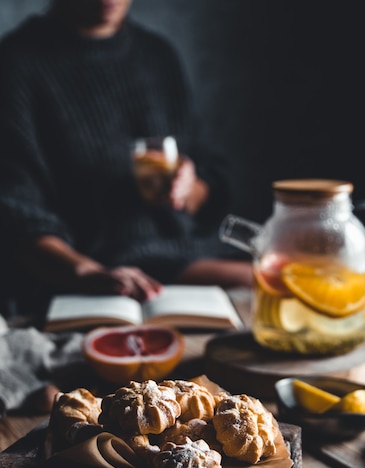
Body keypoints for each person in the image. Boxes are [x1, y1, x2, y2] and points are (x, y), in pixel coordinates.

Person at [0, 0, 252, 316]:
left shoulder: (157, 56)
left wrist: (188, 188)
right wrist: (85, 272)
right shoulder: (16, 64)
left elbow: (210, 176)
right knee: (264, 285)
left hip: (187, 250)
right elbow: (16, 213)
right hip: (93, 264)